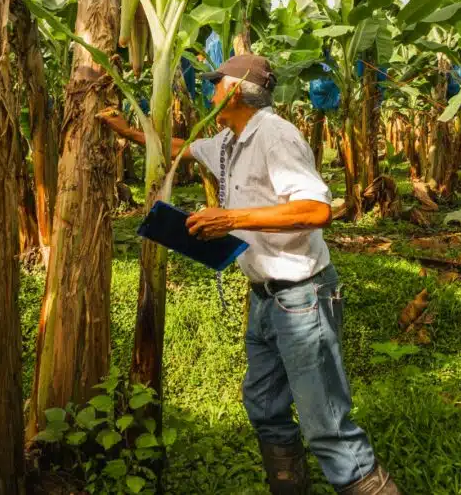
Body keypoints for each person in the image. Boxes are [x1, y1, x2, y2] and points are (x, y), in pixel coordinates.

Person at [98, 54, 398, 495]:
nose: (209, 90)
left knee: (327, 426)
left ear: (235, 91)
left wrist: (232, 218)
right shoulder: (229, 139)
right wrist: (128, 132)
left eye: (215, 83)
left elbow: (316, 209)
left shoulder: (275, 136)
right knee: (265, 408)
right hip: (264, 298)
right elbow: (183, 145)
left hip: (302, 297)